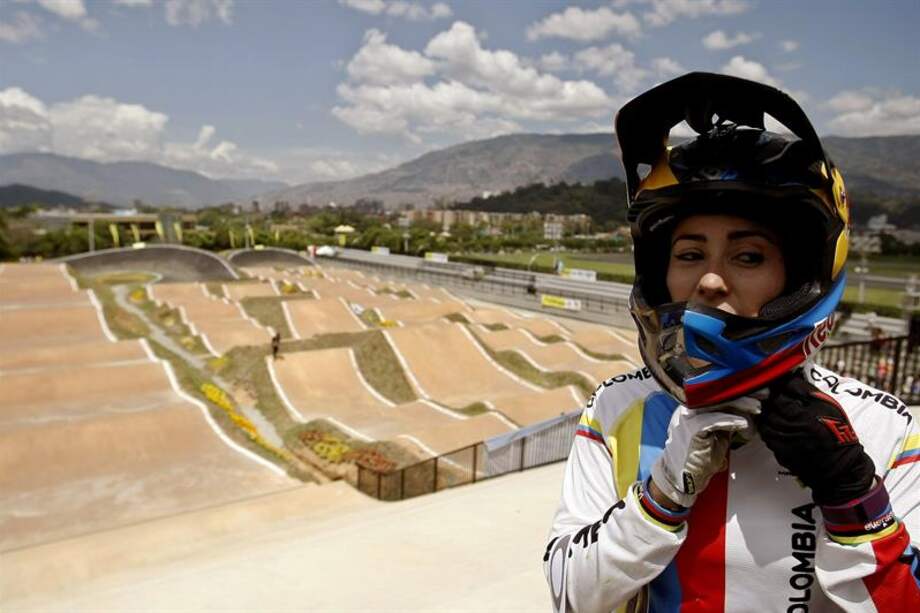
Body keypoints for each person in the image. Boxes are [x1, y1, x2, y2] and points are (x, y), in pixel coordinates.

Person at [543, 73, 920, 613]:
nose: (711, 281)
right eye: (690, 254)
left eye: (748, 257)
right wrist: (661, 497)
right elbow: (570, 596)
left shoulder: (884, 428)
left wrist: (853, 496)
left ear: (801, 277)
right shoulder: (615, 408)